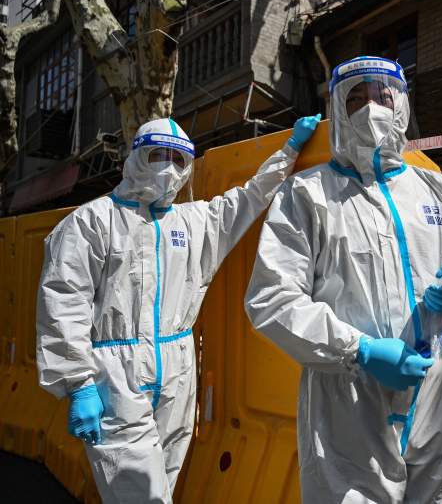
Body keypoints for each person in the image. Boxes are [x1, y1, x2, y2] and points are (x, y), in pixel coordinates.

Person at [244, 56, 442, 503]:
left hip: (435, 388)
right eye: (356, 98)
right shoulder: (307, 195)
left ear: (402, 104)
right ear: (338, 111)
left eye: (383, 96)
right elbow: (272, 298)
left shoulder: (440, 191)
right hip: (347, 397)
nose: (371, 108)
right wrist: (360, 350)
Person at [36, 115, 320, 503]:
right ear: (136, 157)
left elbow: (251, 196)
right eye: (158, 155)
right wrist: (79, 383)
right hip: (115, 378)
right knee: (143, 496)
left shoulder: (194, 222)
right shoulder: (89, 223)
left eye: (179, 160)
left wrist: (289, 151)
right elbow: (63, 301)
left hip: (178, 372)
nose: (168, 169)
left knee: (163, 486)